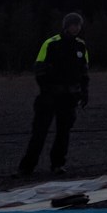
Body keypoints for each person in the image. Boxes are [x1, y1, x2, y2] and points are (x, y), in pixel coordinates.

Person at [18, 12, 91, 176]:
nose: (76, 28)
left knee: (63, 133)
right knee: (39, 133)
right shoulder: (51, 44)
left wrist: (84, 92)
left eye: (78, 25)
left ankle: (57, 164)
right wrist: (47, 90)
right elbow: (39, 69)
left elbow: (84, 72)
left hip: (69, 98)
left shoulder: (81, 46)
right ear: (66, 26)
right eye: (73, 24)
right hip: (49, 98)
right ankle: (26, 167)